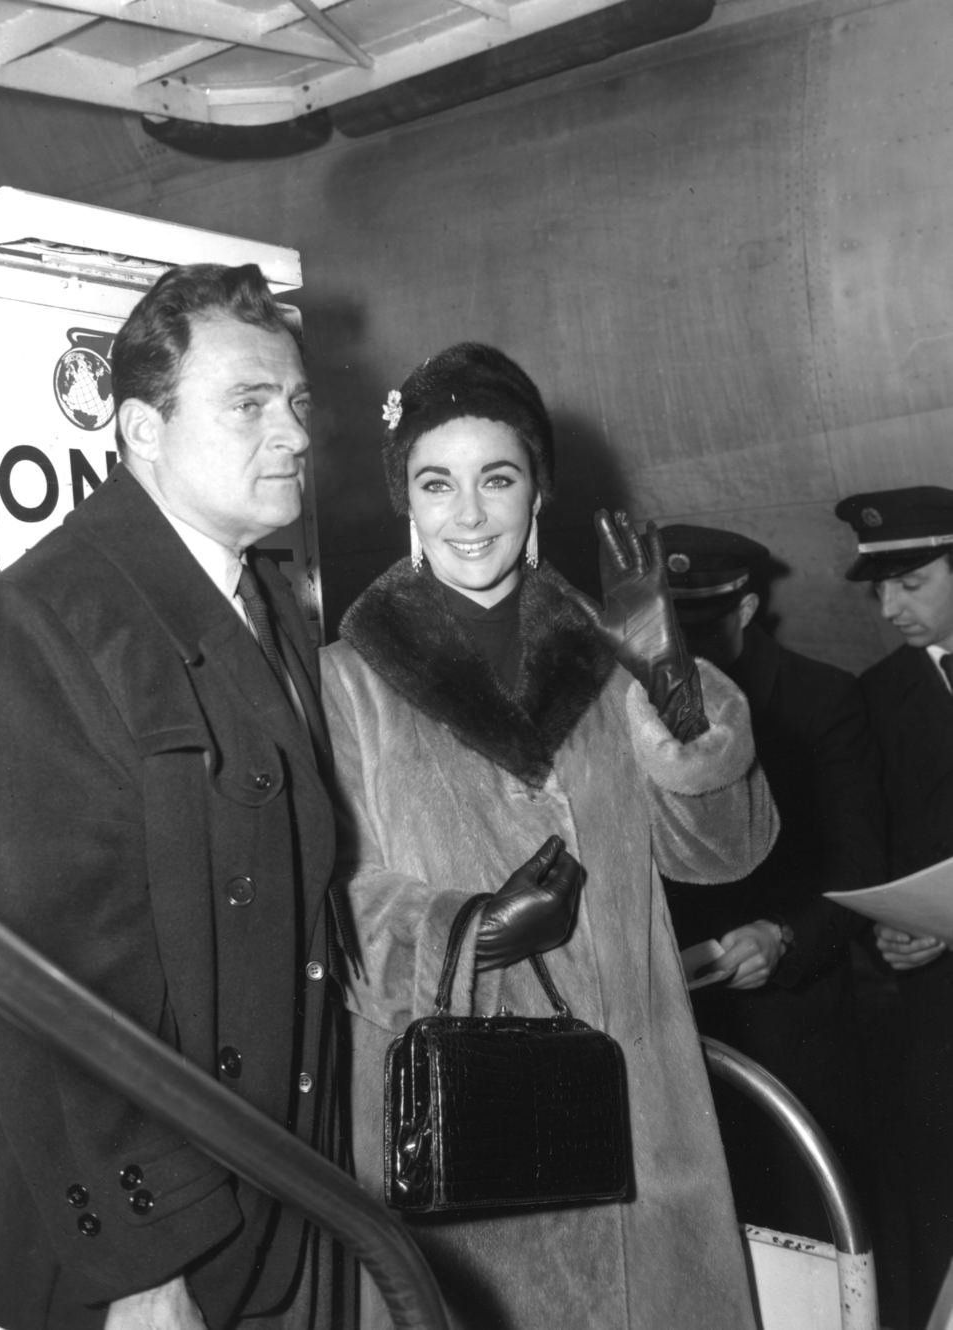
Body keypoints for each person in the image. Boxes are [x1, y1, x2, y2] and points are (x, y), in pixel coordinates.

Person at [320, 342, 779, 1330]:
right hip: (461, 1142)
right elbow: (335, 897)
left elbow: (724, 853)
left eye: (499, 478)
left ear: (539, 493)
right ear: (408, 499)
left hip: (644, 1125)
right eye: (438, 484)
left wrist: (676, 701)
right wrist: (470, 928)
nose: (470, 514)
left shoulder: (619, 657)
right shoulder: (345, 682)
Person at [0, 264, 353, 1330]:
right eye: (250, 402)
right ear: (140, 427)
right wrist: (146, 1267)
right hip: (134, 1252)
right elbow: (54, 978)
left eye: (299, 402)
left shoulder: (263, 600)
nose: (297, 432)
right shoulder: (47, 616)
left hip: (267, 1203)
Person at [658, 523, 886, 1242]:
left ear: (747, 610)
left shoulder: (822, 700)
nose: (683, 647)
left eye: (700, 625)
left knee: (815, 1232)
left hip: (797, 1023)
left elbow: (860, 870)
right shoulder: (637, 712)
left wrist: (783, 938)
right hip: (682, 1024)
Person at [837, 484, 953, 1327]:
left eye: (911, 582)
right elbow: (873, 851)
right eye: (880, 589)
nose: (891, 608)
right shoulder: (877, 699)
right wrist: (895, 930)